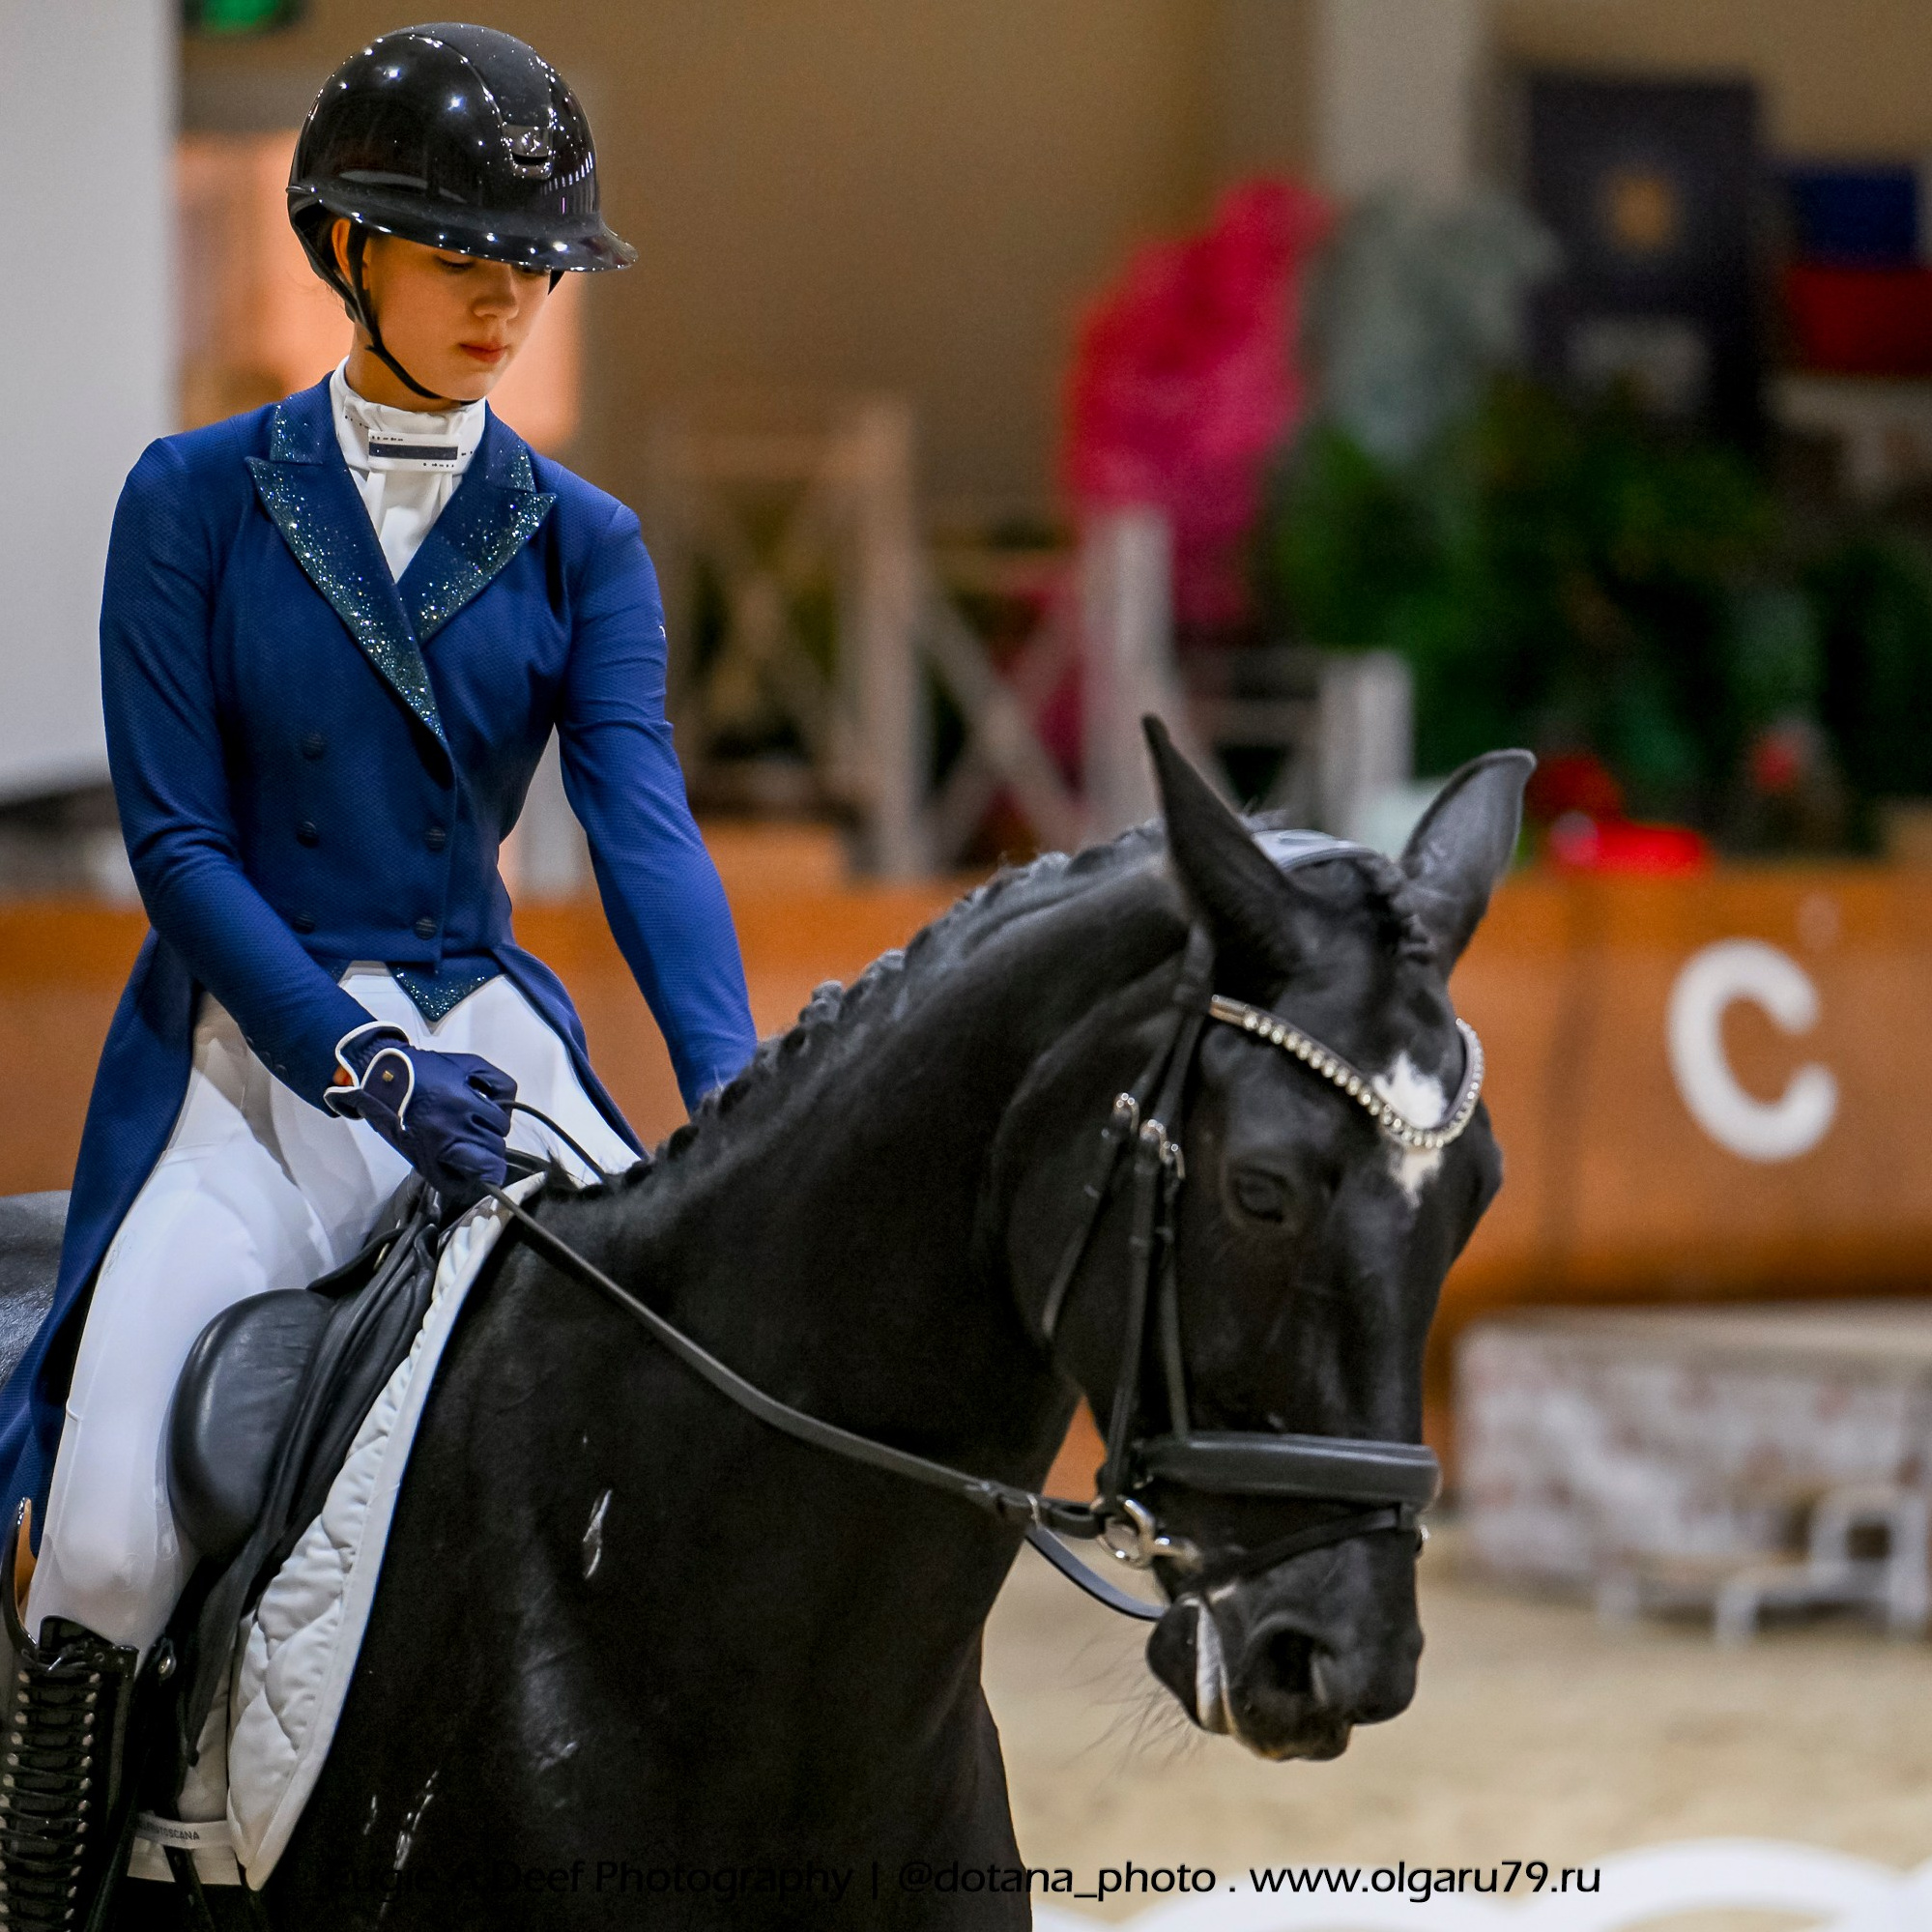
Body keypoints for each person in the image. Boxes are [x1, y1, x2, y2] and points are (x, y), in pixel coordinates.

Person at [0, 23, 758, 1918]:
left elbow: (645, 827)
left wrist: (740, 1088)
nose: (507, 301)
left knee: (701, 1414)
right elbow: (179, 846)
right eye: (462, 257)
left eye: (535, 267)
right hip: (255, 1051)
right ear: (344, 247)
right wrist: (350, 1057)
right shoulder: (194, 500)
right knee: (104, 1539)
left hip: (487, 1032)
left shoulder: (582, 540)